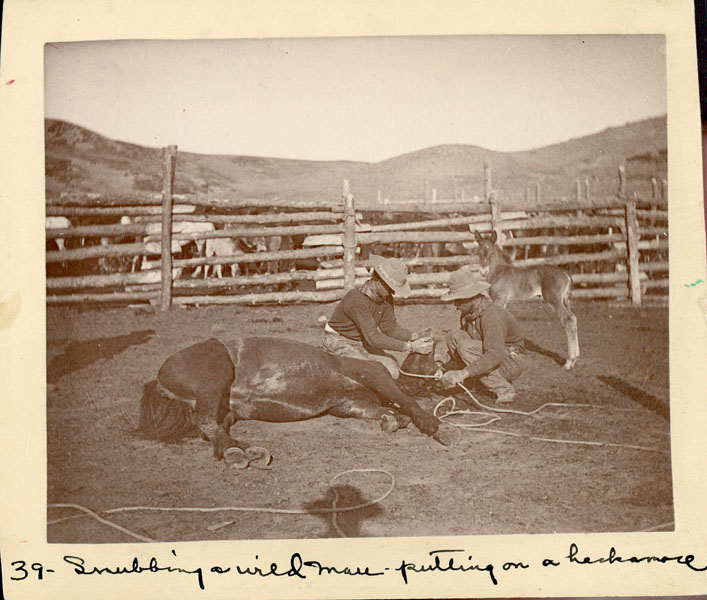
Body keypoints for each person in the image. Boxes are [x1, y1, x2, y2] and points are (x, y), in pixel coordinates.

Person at [323, 255, 433, 378]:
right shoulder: (356, 300)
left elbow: (389, 328)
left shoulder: (385, 298)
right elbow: (373, 338)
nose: (393, 292)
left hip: (362, 342)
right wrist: (410, 347)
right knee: (369, 373)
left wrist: (414, 336)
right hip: (339, 341)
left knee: (393, 369)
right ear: (379, 282)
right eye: (391, 288)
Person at [436, 268, 526, 403]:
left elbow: (496, 353)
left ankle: (503, 388)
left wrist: (462, 374)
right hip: (495, 357)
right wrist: (443, 366)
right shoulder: (469, 314)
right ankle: (474, 382)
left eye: (458, 300)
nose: (455, 305)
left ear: (470, 299)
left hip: (511, 362)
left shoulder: (491, 315)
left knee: (465, 347)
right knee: (454, 336)